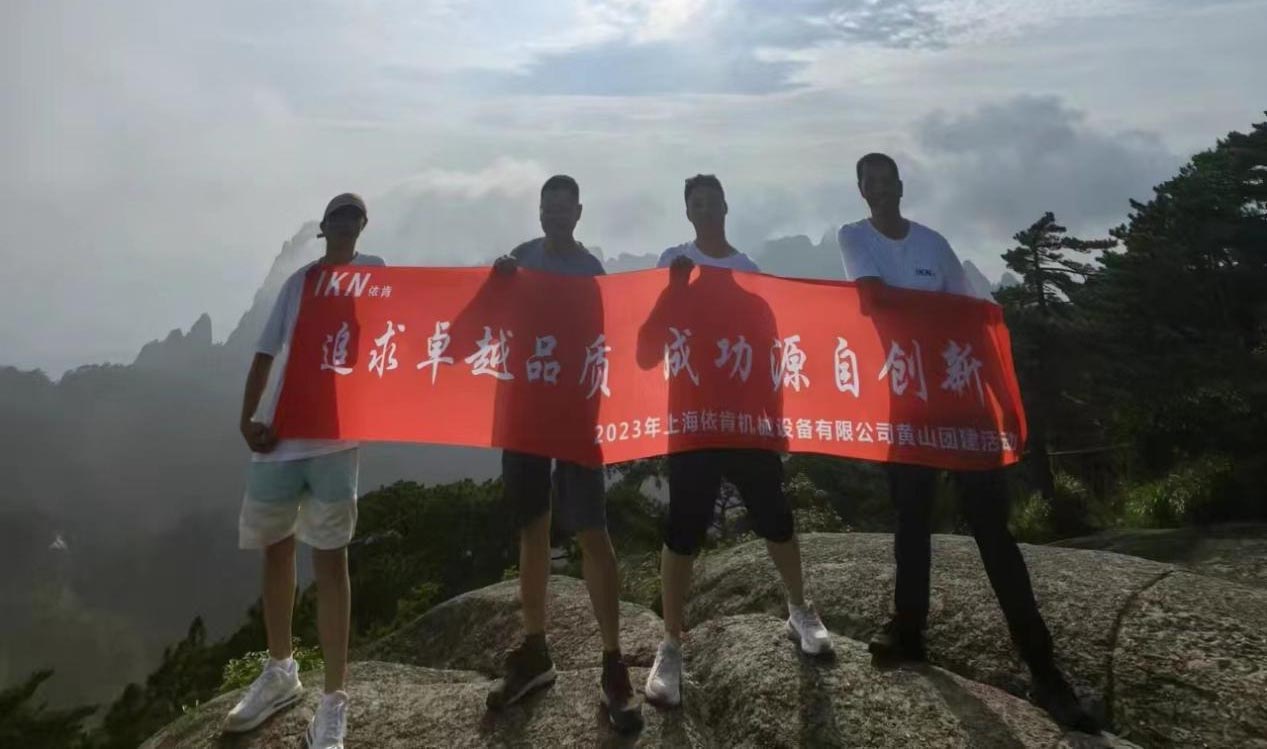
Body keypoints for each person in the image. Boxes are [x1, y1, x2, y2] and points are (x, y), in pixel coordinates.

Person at [838, 153, 1100, 734]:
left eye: (886, 180)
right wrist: (938, 313)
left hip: (961, 401)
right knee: (912, 523)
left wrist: (1003, 402)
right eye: (869, 182)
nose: (879, 189)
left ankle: (1045, 671)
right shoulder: (854, 237)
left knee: (993, 534)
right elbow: (874, 300)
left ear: (900, 185)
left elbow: (974, 323)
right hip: (908, 397)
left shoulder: (934, 244)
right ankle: (909, 630)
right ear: (861, 191)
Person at [641, 175, 832, 710]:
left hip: (747, 421)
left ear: (726, 206)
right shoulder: (673, 262)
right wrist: (674, 289)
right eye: (695, 204)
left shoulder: (749, 270)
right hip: (694, 419)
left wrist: (777, 421)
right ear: (688, 213)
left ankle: (799, 609)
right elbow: (646, 350)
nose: (704, 210)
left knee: (776, 515)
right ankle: (671, 644)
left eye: (711, 202)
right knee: (683, 529)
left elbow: (770, 349)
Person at [224, 193, 384, 749]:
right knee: (276, 549)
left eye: (354, 215)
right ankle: (280, 670)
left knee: (331, 559)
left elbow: (419, 317)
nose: (346, 221)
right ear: (324, 226)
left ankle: (333, 701)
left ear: (363, 226)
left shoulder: (376, 275)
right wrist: (247, 417)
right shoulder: (299, 283)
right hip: (282, 434)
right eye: (337, 214)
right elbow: (266, 353)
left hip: (337, 439)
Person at [484, 175, 643, 734]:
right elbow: (491, 320)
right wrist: (498, 280)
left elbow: (608, 339)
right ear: (540, 211)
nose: (554, 214)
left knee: (592, 532)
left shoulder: (591, 270)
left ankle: (613, 663)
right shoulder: (521, 258)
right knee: (532, 528)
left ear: (578, 212)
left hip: (575, 413)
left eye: (563, 207)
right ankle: (535, 651)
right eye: (546, 206)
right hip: (525, 411)